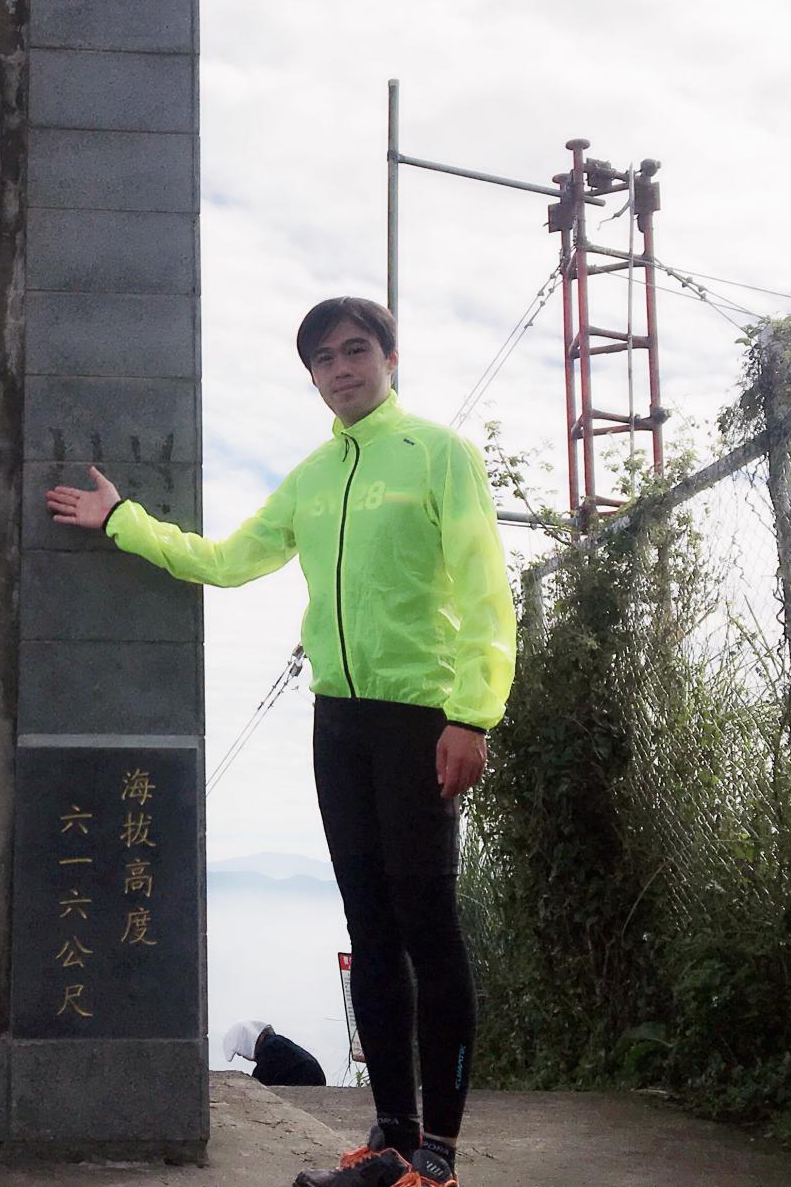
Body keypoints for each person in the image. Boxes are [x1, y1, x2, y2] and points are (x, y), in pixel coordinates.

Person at [47, 297, 515, 1187]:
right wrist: (120, 519)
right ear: (311, 376)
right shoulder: (310, 477)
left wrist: (472, 715)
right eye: (323, 359)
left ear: (389, 358)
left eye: (355, 350)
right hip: (337, 721)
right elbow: (226, 560)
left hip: (420, 719)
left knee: (428, 928)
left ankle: (439, 1155)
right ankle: (392, 1135)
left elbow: (485, 589)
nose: (341, 369)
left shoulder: (437, 454)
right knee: (369, 927)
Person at [224, 1018, 328, 1086]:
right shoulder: (275, 1043)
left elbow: (258, 1083)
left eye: (240, 1053)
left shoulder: (271, 1049)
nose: (242, 1055)